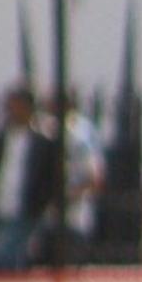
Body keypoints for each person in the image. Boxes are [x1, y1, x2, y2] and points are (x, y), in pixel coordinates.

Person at [0, 82, 58, 271]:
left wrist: (39, 205)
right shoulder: (0, 139)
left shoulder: (43, 142)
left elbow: (49, 179)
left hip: (25, 214)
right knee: (1, 263)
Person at [49, 89, 105, 262]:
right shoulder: (47, 128)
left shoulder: (80, 133)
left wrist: (71, 195)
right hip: (48, 216)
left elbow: (95, 176)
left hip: (76, 216)